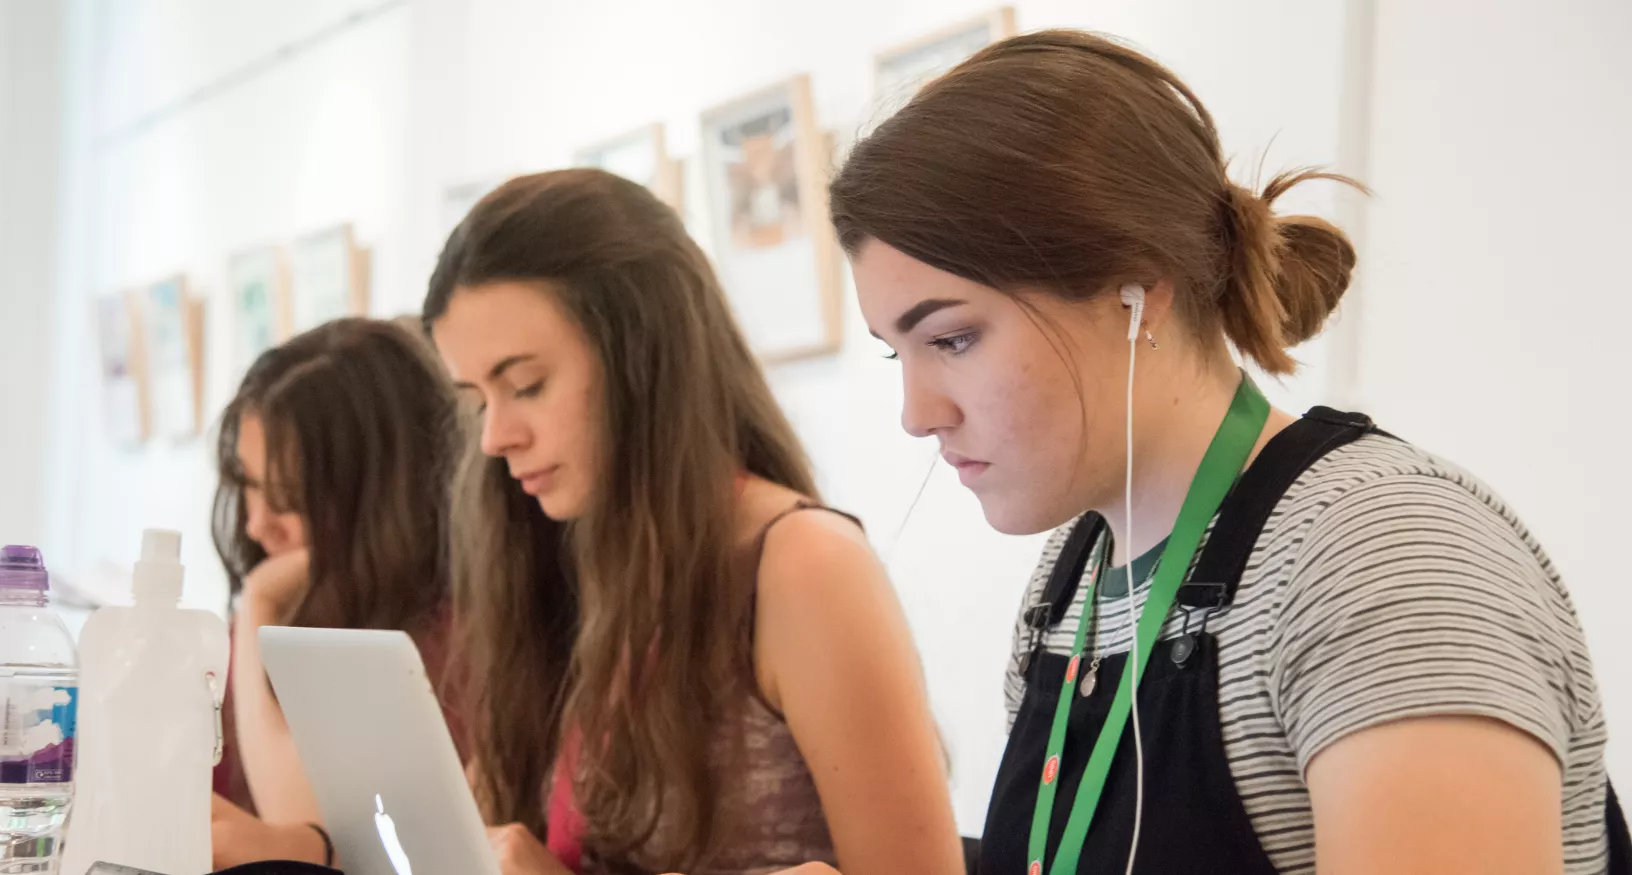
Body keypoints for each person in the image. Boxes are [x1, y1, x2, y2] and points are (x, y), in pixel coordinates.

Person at [828, 28, 1628, 875]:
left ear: (1137, 290)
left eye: (951, 339)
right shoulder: (1075, 577)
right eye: (896, 352)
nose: (917, 415)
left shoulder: (1383, 560)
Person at [424, 169, 963, 875]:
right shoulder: (555, 562)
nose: (495, 437)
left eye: (526, 384)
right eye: (476, 399)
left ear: (642, 357)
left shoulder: (802, 565)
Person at [208, 316, 462, 869]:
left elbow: (301, 832)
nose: (255, 525)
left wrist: (258, 603)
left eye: (285, 496)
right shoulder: (264, 629)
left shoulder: (452, 645)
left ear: (376, 502)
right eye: (248, 486)